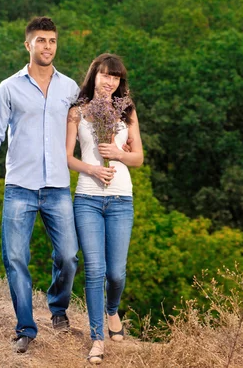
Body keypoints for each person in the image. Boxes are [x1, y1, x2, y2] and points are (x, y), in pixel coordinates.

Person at [0, 16, 80, 354]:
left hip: (57, 187)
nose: (47, 46)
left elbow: (85, 128)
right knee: (15, 257)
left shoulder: (69, 89)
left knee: (68, 256)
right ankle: (25, 327)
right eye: (41, 40)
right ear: (28, 45)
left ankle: (58, 308)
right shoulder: (9, 87)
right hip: (19, 186)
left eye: (52, 41)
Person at [66, 53, 144, 364]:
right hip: (87, 199)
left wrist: (118, 155)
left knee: (116, 273)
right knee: (95, 271)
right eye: (104, 75)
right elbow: (67, 157)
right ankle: (97, 338)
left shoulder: (127, 111)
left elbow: (138, 157)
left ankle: (112, 309)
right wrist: (93, 169)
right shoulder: (77, 112)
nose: (109, 81)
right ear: (94, 76)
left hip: (121, 199)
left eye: (115, 77)